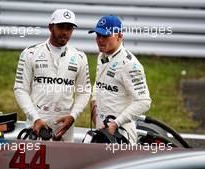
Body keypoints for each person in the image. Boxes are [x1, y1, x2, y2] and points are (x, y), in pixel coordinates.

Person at [14, 9, 91, 142]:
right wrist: (35, 118)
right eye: (61, 27)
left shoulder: (80, 57)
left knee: (65, 163)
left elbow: (84, 92)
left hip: (65, 126)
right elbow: (20, 89)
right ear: (50, 27)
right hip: (36, 124)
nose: (65, 32)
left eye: (69, 28)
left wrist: (73, 116)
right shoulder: (30, 53)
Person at [89, 15, 151, 145]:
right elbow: (99, 84)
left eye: (105, 36)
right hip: (102, 130)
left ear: (119, 36)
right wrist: (94, 103)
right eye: (98, 35)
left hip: (121, 135)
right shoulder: (102, 55)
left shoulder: (129, 64)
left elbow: (144, 101)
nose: (100, 40)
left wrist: (116, 123)